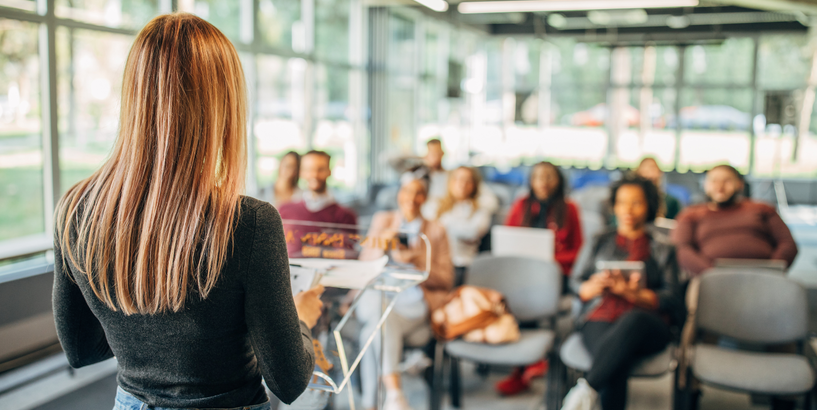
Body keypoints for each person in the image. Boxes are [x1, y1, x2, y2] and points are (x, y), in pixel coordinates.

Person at [51, 14, 324, 410]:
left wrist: (147, 342)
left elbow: (81, 350)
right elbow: (289, 380)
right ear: (222, 106)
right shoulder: (249, 224)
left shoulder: (74, 211)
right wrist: (300, 318)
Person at [561, 175, 685, 410]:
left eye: (636, 202)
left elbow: (672, 299)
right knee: (615, 360)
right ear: (614, 206)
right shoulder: (598, 240)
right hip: (601, 315)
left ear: (648, 205)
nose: (628, 209)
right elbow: (576, 283)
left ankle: (586, 390)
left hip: (648, 323)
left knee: (632, 321)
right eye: (622, 202)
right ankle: (585, 396)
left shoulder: (663, 248)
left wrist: (633, 294)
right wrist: (590, 287)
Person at [357, 169, 454, 410]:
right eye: (408, 191)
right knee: (379, 313)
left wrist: (416, 262)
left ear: (426, 197)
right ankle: (394, 394)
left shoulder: (436, 229)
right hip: (378, 294)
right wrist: (383, 243)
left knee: (373, 330)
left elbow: (446, 279)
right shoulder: (383, 220)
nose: (412, 197)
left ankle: (373, 403)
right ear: (399, 193)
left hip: (413, 299)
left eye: (419, 193)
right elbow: (363, 266)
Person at [496, 162, 584, 395]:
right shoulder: (521, 206)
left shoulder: (570, 209)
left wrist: (549, 258)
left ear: (559, 181)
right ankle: (522, 365)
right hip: (522, 275)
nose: (544, 182)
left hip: (556, 276)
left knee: (533, 295)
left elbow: (579, 252)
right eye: (538, 177)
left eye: (549, 177)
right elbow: (508, 241)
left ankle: (532, 363)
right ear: (531, 181)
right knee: (516, 295)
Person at [672, 164, 798, 276]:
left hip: (764, 275)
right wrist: (710, 273)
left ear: (740, 184)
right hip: (710, 278)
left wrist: (771, 270)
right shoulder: (690, 214)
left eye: (727, 181)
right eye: (714, 181)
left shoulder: (762, 209)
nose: (720, 186)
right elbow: (681, 248)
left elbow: (787, 243)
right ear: (705, 185)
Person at [278, 150, 358, 258]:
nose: (314, 174)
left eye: (320, 169)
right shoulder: (285, 210)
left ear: (329, 172)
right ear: (301, 173)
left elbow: (348, 254)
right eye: (309, 169)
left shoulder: (346, 216)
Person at [424, 166, 493, 286]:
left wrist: (442, 223)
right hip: (435, 262)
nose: (462, 184)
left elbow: (473, 232)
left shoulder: (480, 209)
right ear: (450, 181)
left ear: (474, 185)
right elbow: (425, 227)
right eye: (458, 179)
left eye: (468, 181)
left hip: (462, 264)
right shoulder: (436, 205)